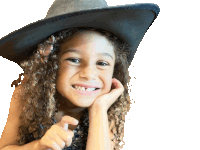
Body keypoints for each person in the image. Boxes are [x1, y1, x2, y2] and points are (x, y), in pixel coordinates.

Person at [0, 0, 160, 150]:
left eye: (102, 63)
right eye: (74, 59)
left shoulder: (113, 107)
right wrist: (39, 146)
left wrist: (99, 110)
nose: (89, 74)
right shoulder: (27, 95)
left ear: (115, 69)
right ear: (50, 64)